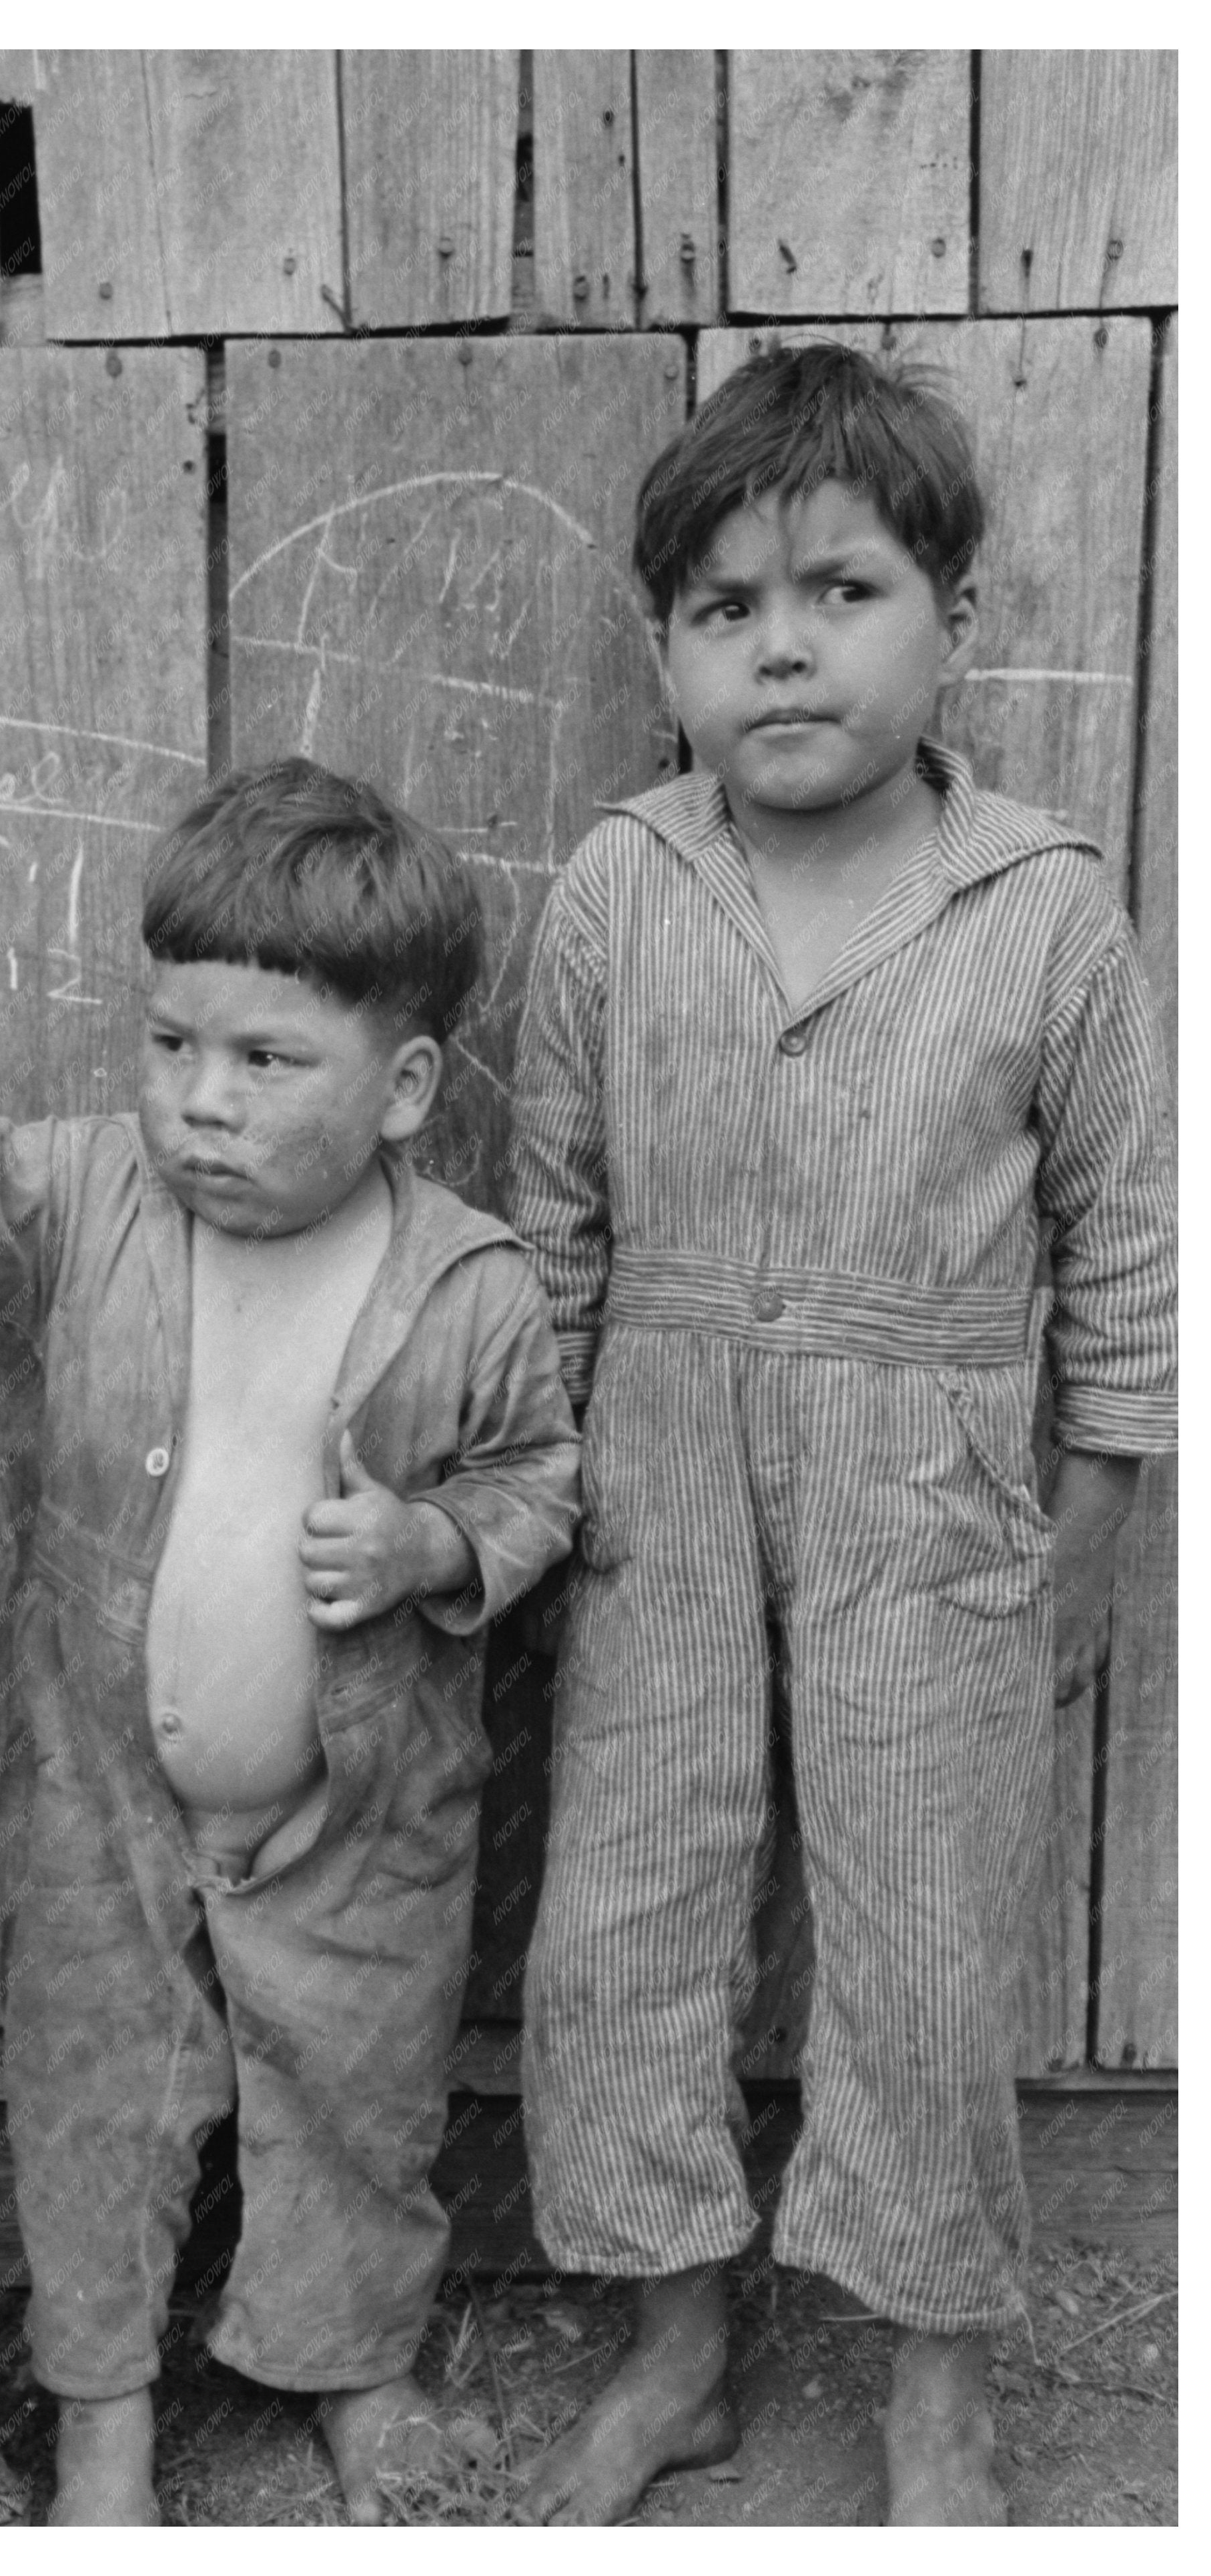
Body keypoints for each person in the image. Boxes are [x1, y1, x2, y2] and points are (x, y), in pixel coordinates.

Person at [0, 758, 582, 2526]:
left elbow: (541, 1485)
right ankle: (104, 2432)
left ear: (406, 1088)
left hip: (365, 1822)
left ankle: (351, 2372)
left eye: (265, 1062)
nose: (200, 1103)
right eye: (170, 1048)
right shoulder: (87, 1202)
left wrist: (432, 1541)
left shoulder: (474, 1287)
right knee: (90, 2110)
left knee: (360, 2107)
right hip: (104, 1804)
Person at [502, 343, 1176, 2527]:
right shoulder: (620, 885)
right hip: (659, 1472)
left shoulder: (1046, 908)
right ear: (665, 654)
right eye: (723, 610)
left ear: (954, 618)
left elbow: (1135, 1254)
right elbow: (553, 1225)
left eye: (842, 588)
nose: (781, 645)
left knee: (916, 1940)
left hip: (935, 1494)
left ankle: (937, 2393)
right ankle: (679, 2348)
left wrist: (1091, 1527)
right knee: (630, 1911)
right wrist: (535, 1492)